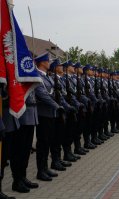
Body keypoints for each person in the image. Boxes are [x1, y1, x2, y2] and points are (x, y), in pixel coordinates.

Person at [34, 52, 62, 181]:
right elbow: (42, 94)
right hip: (43, 114)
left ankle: (45, 168)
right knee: (42, 143)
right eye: (47, 61)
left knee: (48, 142)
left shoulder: (48, 77)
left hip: (50, 114)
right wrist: (56, 105)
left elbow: (54, 92)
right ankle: (40, 170)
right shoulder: (37, 76)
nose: (49, 63)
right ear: (42, 63)